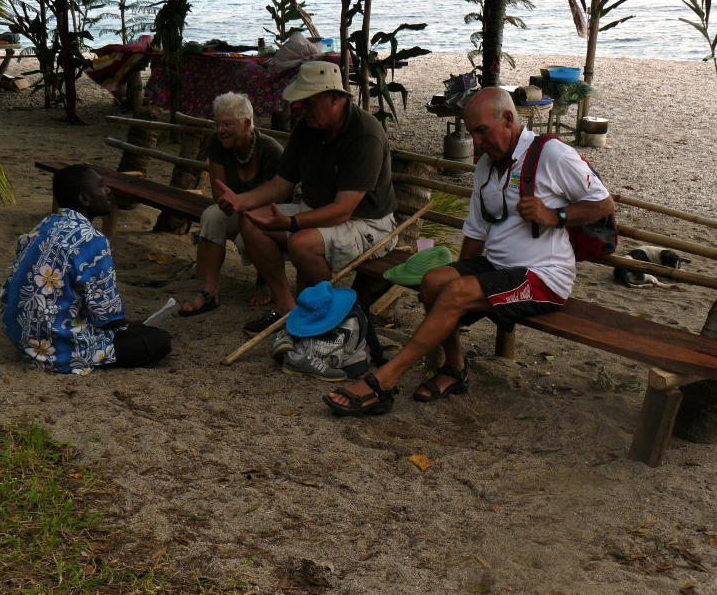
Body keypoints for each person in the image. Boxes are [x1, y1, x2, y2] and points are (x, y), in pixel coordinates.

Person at [323, 86, 615, 416]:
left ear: (508, 118)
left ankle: (385, 380)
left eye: (481, 131)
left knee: (454, 292)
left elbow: (603, 204)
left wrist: (555, 215)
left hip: (544, 279)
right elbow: (475, 231)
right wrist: (458, 279)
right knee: (434, 282)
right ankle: (455, 367)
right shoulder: (486, 167)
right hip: (496, 266)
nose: (476, 142)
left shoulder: (551, 154)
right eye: (472, 133)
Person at [214, 61, 398, 333]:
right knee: (250, 220)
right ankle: (285, 305)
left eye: (308, 102)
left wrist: (291, 223)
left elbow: (343, 211)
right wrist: (242, 202)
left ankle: (324, 315)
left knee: (302, 243)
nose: (301, 109)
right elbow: (280, 184)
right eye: (300, 102)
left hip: (368, 222)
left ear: (335, 99)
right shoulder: (306, 128)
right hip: (318, 209)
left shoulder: (364, 134)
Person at [0, 164, 171, 374]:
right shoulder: (92, 240)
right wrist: (131, 327)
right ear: (85, 199)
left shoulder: (41, 228)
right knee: (158, 340)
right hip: (56, 346)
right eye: (101, 186)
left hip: (20, 337)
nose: (108, 191)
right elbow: (106, 315)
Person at [179, 91, 283, 316]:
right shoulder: (218, 144)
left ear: (246, 124)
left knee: (251, 231)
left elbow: (278, 198)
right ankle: (209, 291)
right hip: (237, 208)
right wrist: (227, 202)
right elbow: (218, 189)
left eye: (227, 124)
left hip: (267, 213)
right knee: (211, 216)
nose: (220, 130)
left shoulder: (270, 150)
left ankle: (264, 283)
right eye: (217, 124)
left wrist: (241, 204)